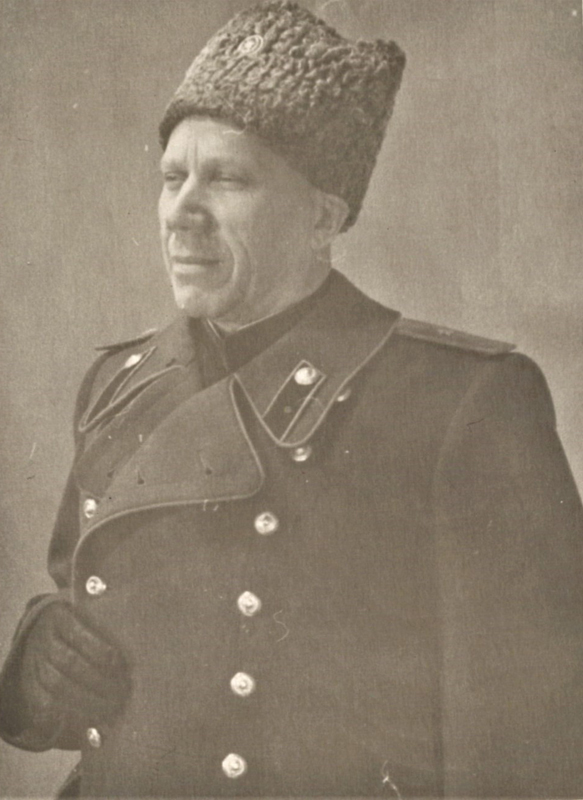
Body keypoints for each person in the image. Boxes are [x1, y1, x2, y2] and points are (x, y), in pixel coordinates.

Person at [1, 1, 583, 797]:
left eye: (227, 179)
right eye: (172, 177)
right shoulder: (118, 385)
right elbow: (106, 625)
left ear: (322, 217)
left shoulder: (463, 403)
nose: (182, 212)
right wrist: (41, 648)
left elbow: (527, 746)